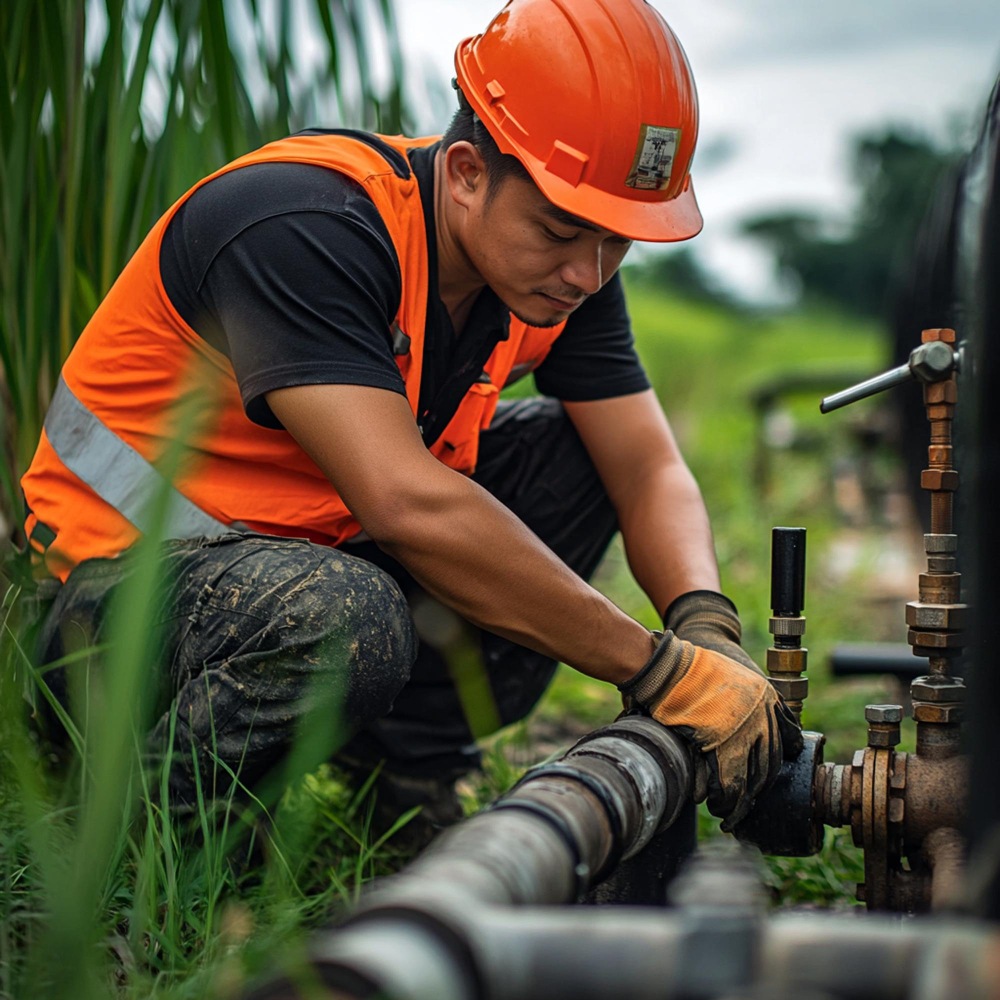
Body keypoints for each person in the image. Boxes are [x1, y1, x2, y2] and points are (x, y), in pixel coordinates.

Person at [22, 0, 801, 841]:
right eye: (561, 230)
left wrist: (704, 624)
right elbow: (405, 503)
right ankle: (129, 844)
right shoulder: (304, 226)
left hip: (288, 581)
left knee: (576, 457)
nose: (589, 272)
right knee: (346, 616)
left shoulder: (564, 278)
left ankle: (401, 776)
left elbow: (646, 466)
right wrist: (660, 670)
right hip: (99, 616)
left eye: (618, 241)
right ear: (467, 171)